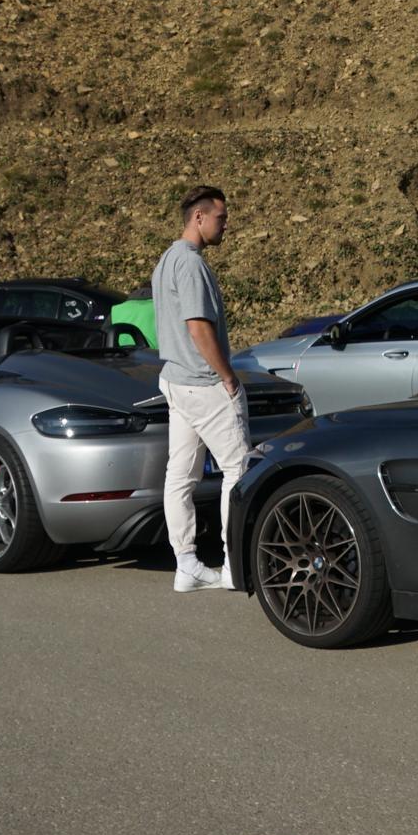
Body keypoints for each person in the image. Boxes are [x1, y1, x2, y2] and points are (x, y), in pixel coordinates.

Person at [151, 185, 247, 593]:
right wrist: (227, 376)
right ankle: (234, 566)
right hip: (204, 384)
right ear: (199, 217)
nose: (226, 224)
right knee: (238, 471)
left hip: (176, 381)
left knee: (180, 475)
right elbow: (197, 326)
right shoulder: (191, 264)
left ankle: (187, 565)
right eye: (221, 218)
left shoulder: (166, 261)